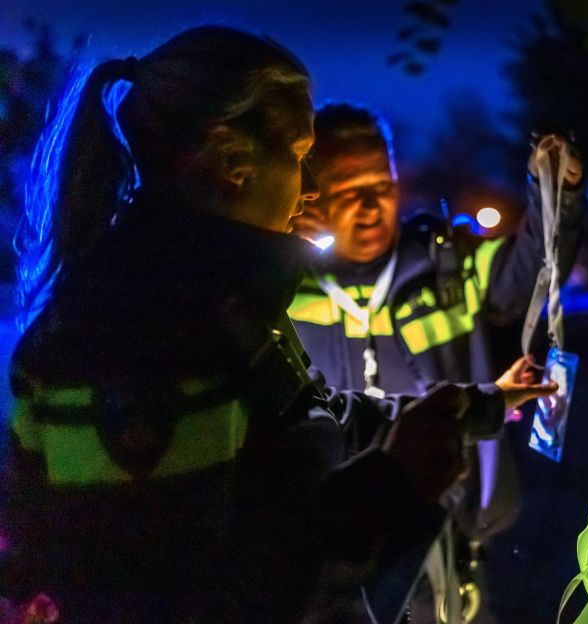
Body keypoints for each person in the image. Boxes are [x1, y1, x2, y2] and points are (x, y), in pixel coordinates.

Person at [0, 26, 554, 624]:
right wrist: (392, 486)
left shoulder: (218, 300)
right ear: (232, 159)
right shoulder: (139, 338)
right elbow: (191, 592)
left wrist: (470, 408)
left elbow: (304, 425)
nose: (311, 187)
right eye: (297, 156)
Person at [287, 103, 585, 619]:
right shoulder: (286, 287)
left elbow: (532, 275)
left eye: (381, 184)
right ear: (311, 194)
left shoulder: (447, 260)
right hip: (345, 542)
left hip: (456, 533)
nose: (370, 205)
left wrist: (557, 193)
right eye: (346, 189)